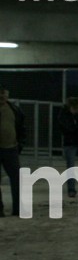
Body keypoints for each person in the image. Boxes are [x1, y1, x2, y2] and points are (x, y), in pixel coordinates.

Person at [0, 85, 25, 217]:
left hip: (11, 148)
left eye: (5, 94)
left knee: (16, 178)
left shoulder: (14, 109)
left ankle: (18, 208)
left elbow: (21, 127)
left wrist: (20, 144)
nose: (3, 97)